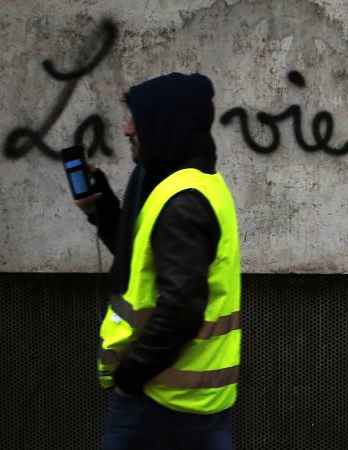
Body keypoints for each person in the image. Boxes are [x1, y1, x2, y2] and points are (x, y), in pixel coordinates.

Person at [74, 72, 241, 450]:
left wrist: (131, 376)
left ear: (165, 123)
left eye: (137, 118)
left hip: (161, 400)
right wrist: (104, 211)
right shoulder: (192, 184)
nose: (128, 129)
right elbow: (146, 264)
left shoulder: (181, 199)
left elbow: (181, 307)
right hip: (190, 400)